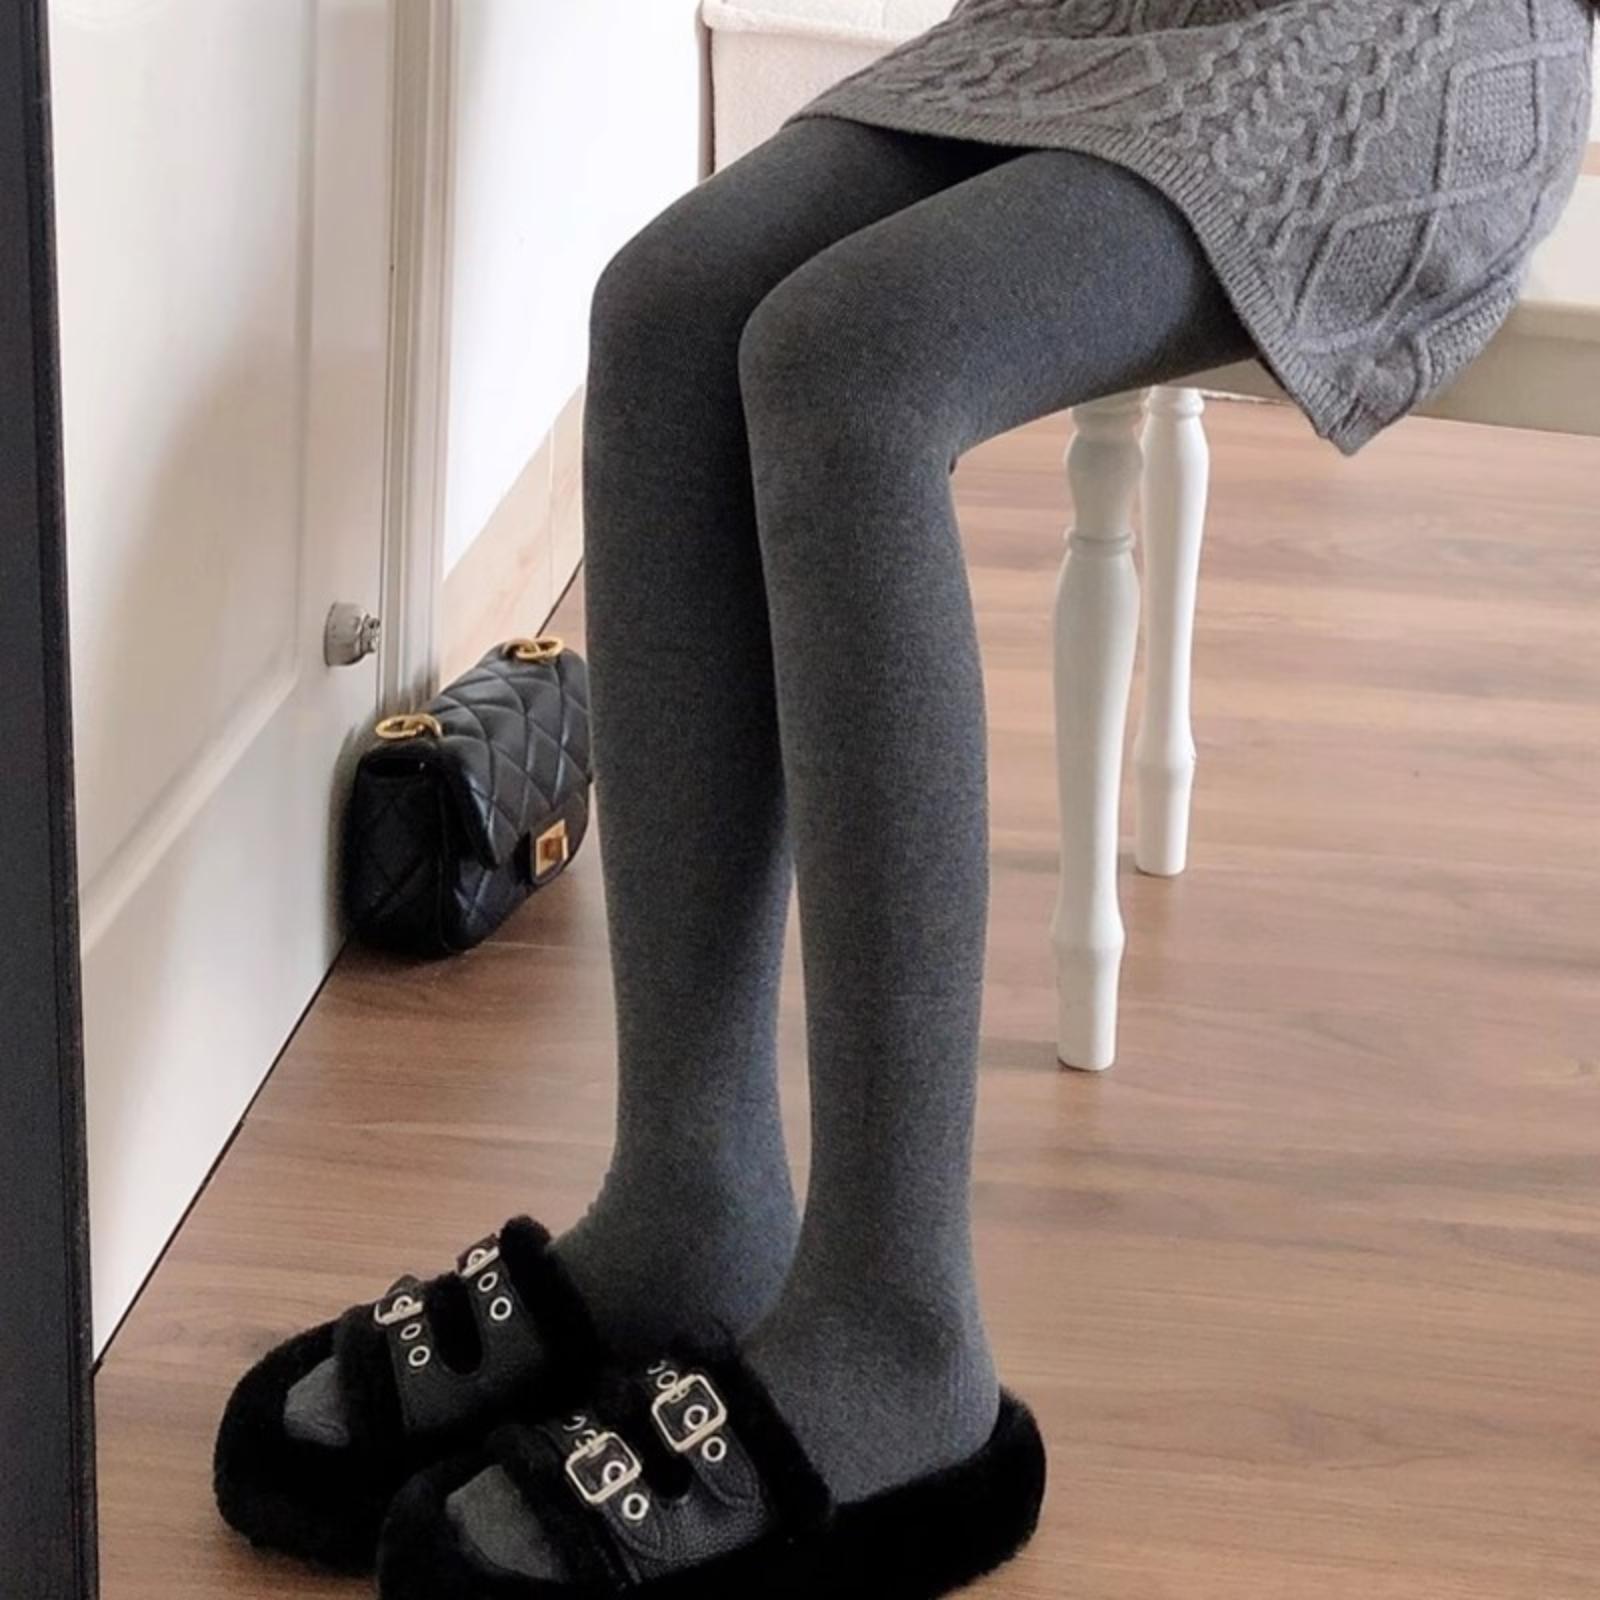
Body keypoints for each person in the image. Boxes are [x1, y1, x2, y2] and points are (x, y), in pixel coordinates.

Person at [215, 3, 1594, 1595]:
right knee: (664, 309)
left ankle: (898, 1327)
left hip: (1417, 36)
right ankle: (686, 1200)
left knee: (851, 363)